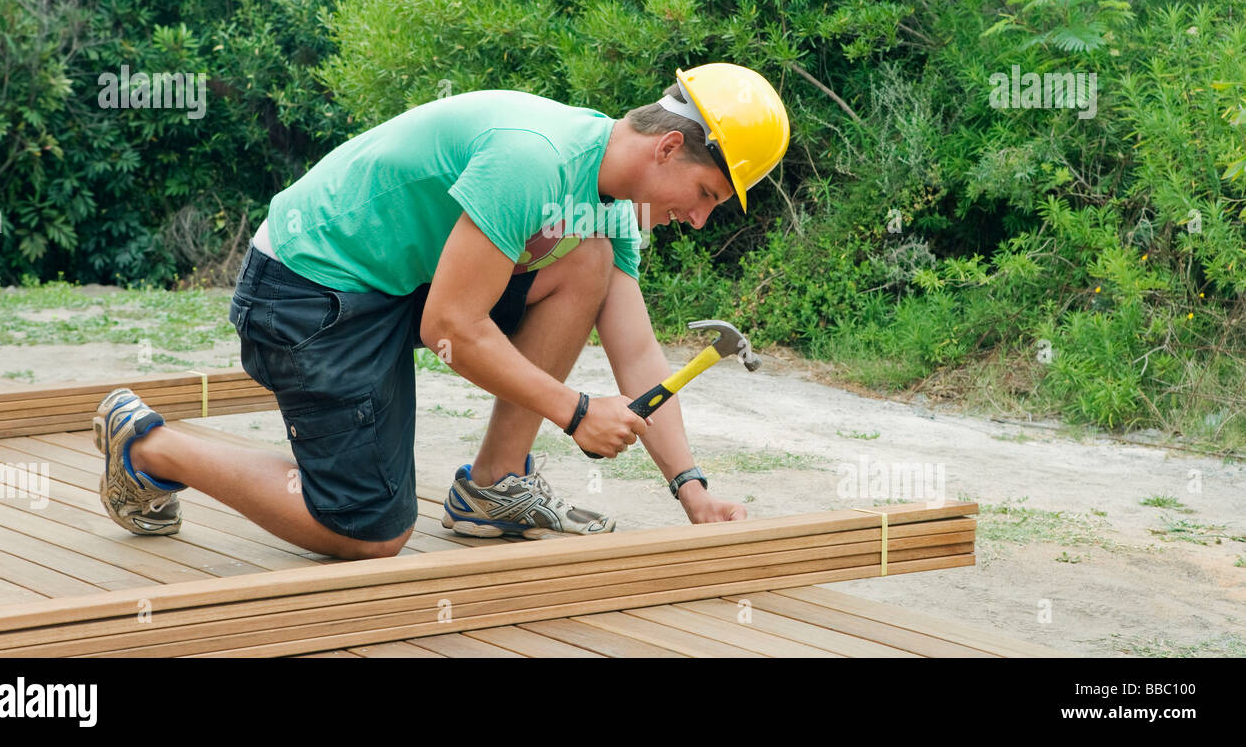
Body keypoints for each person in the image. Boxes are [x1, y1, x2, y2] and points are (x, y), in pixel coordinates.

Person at [95, 63, 790, 560]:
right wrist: (576, 411)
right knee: (368, 532)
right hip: (305, 287)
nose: (699, 219)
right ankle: (149, 447)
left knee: (589, 264)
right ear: (669, 147)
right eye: (705, 194)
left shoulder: (610, 201)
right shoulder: (536, 160)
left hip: (395, 284)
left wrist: (691, 490)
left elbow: (637, 355)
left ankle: (494, 485)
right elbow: (451, 328)